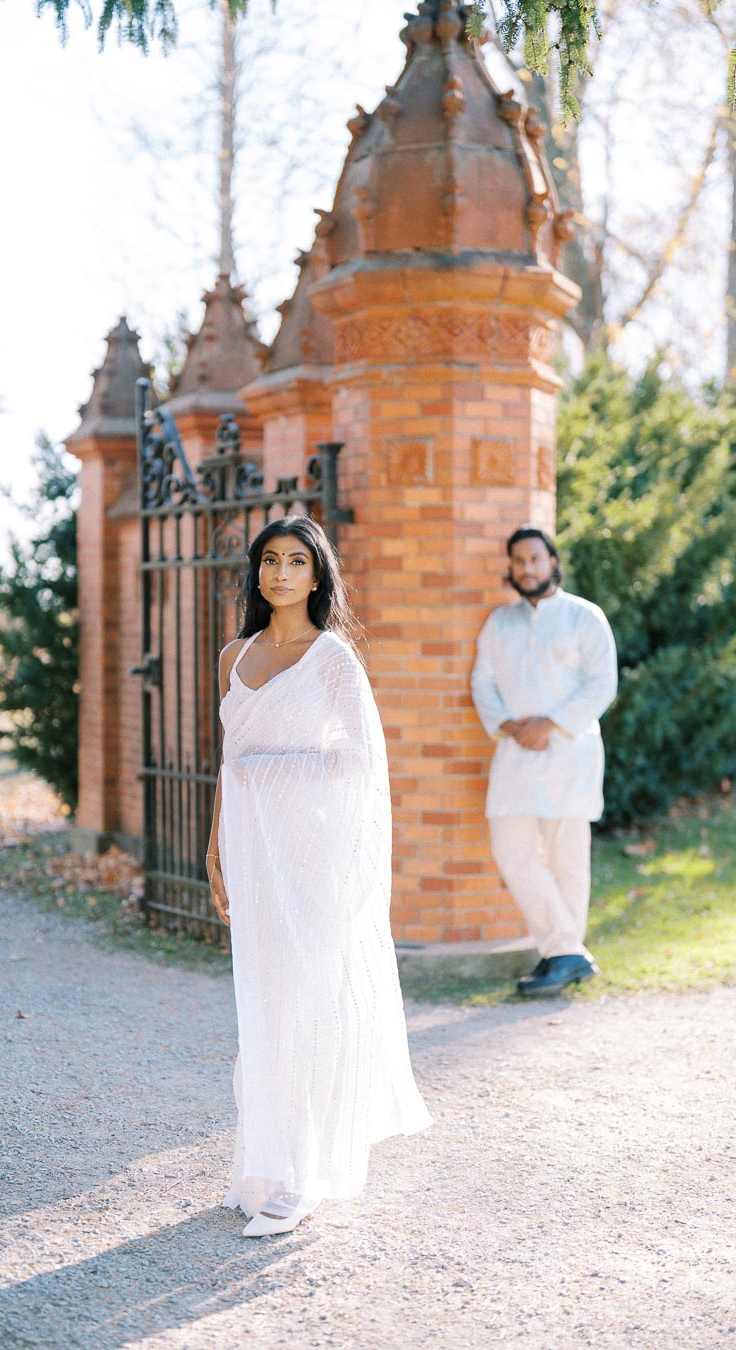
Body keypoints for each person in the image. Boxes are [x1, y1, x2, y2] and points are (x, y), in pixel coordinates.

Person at [206, 514, 431, 1239]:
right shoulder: (232, 656)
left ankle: (304, 1173)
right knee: (262, 1003)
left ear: (316, 573)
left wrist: (272, 776)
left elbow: (361, 765)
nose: (279, 573)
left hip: (310, 857)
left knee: (307, 1003)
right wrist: (215, 850)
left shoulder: (333, 659)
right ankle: (264, 1167)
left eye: (295, 561)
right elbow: (227, 762)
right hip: (250, 851)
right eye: (269, 560)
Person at [470, 525, 618, 998]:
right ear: (510, 567)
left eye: (535, 558)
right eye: (518, 561)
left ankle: (560, 955)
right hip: (514, 752)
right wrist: (512, 727)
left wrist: (548, 724)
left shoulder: (584, 617)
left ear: (552, 561)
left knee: (567, 862)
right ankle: (566, 952)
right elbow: (482, 683)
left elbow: (602, 685)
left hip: (569, 753)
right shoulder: (500, 622)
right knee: (510, 851)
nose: (527, 568)